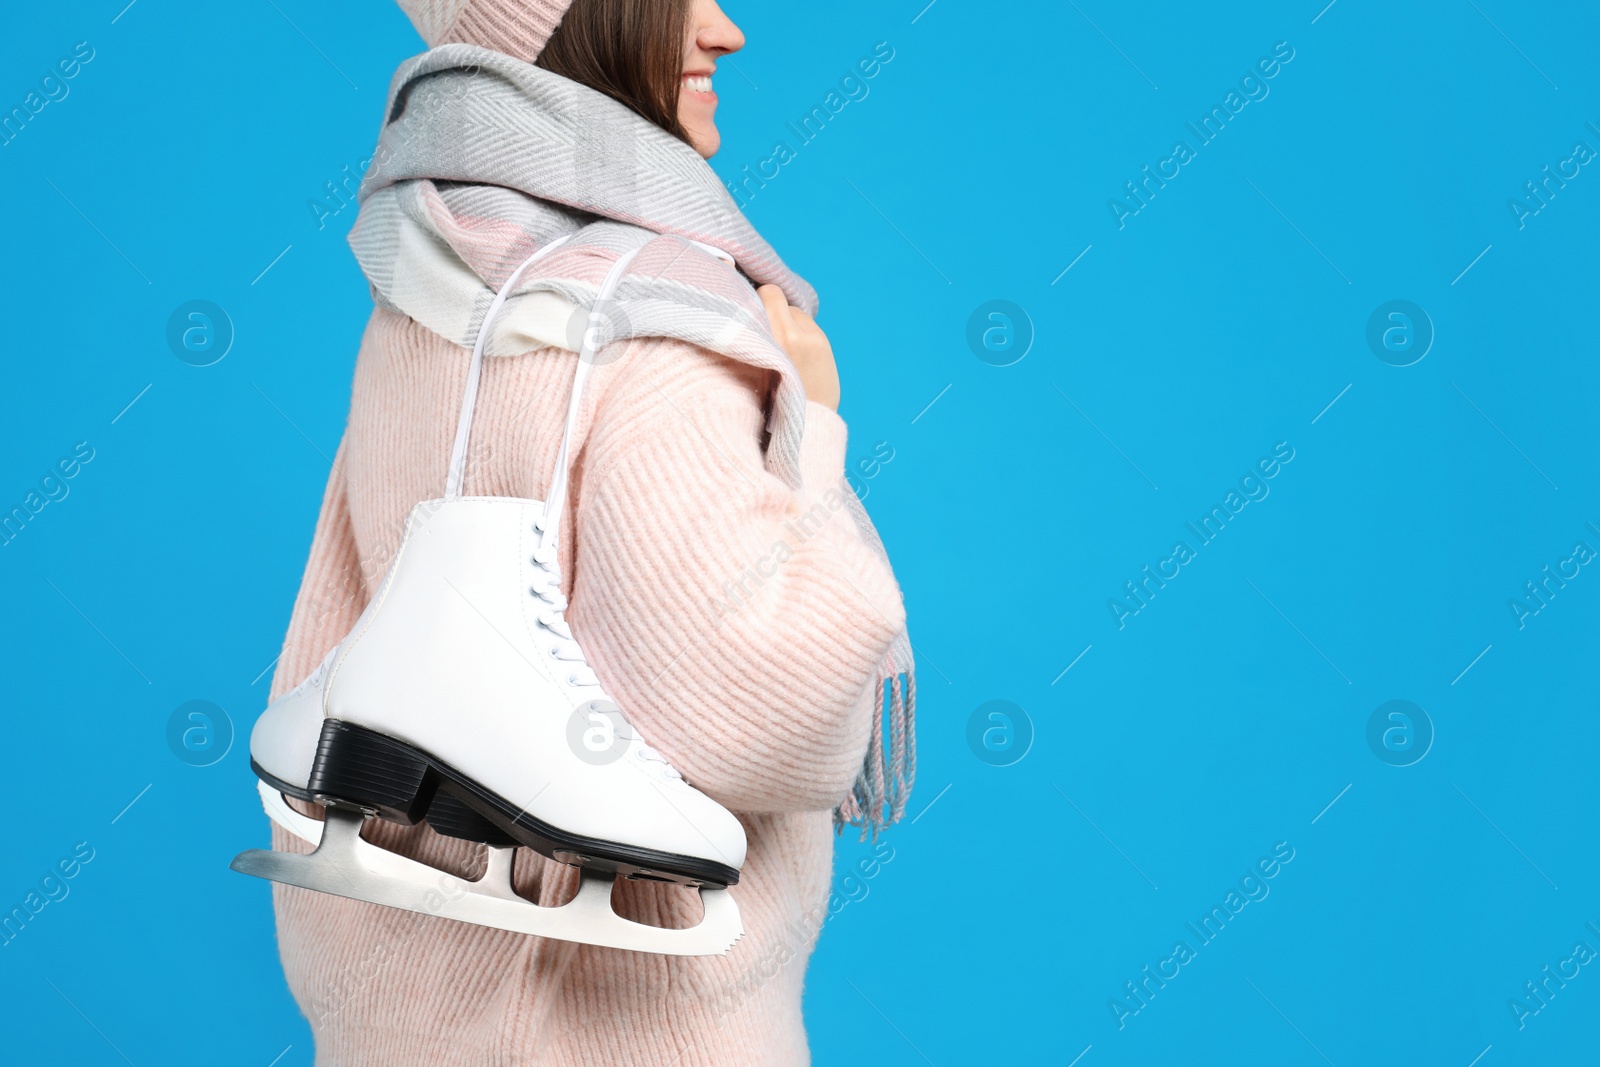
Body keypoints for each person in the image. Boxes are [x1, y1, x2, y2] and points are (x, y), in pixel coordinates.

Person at [262, 0, 914, 1063]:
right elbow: (768, 715)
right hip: (638, 1032)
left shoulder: (426, 287)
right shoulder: (662, 326)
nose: (727, 29)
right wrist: (818, 429)